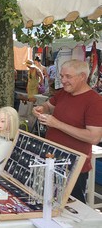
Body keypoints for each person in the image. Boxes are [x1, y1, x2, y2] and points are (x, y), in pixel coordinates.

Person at [32, 59, 102, 203]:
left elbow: (94, 137)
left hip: (73, 166)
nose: (63, 80)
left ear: (82, 76)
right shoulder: (64, 93)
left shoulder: (94, 101)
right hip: (51, 160)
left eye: (68, 76)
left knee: (71, 210)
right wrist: (41, 109)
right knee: (46, 204)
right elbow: (48, 105)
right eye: (62, 76)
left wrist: (57, 124)